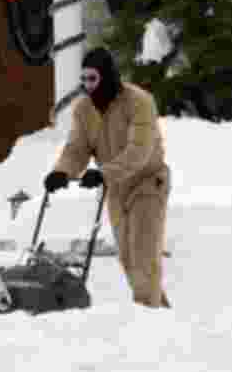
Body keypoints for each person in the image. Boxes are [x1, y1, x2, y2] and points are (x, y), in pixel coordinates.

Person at [43, 47, 172, 309]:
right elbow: (77, 148)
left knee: (143, 254)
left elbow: (140, 150)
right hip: (115, 188)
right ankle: (160, 315)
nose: (87, 85)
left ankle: (149, 317)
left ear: (107, 76)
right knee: (127, 258)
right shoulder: (83, 109)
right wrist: (62, 171)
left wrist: (104, 173)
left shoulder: (139, 102)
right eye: (83, 79)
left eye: (92, 79)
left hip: (147, 182)